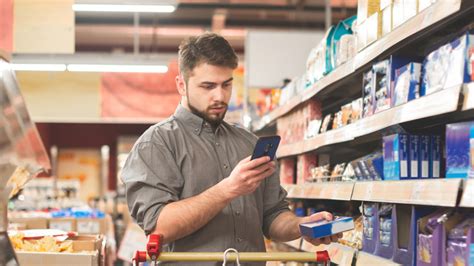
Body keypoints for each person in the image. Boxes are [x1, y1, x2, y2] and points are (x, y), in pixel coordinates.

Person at [121, 32, 341, 265]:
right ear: (181, 85)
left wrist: (302, 226)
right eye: (208, 86)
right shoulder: (156, 145)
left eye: (226, 85)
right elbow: (158, 225)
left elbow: (272, 216)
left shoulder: (247, 142)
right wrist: (228, 189)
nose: (219, 96)